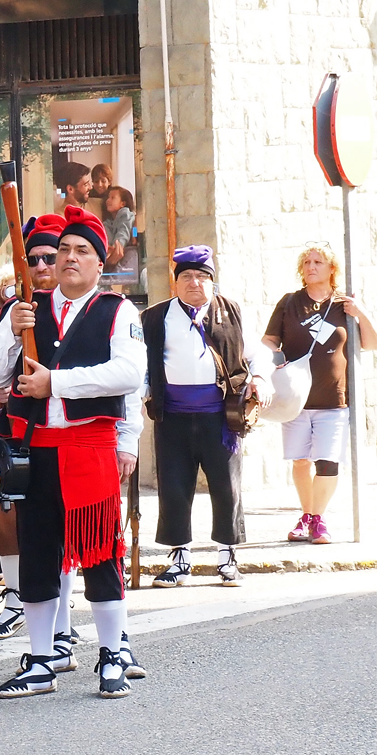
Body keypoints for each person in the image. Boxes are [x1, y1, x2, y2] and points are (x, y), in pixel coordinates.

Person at [0, 207, 145, 700]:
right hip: (36, 450)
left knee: (100, 554)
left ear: (99, 263)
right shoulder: (26, 309)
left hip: (88, 447)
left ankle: (112, 652)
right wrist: (9, 334)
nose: (69, 258)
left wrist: (57, 382)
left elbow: (128, 374)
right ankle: (41, 658)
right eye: (64, 250)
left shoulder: (118, 310)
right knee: (36, 554)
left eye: (82, 251)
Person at [145, 246, 267, 588]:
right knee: (174, 488)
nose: (194, 283)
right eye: (186, 276)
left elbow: (257, 354)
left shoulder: (232, 312)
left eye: (201, 276)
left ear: (212, 281)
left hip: (221, 419)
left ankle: (227, 558)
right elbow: (142, 364)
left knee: (227, 488)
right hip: (172, 417)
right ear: (175, 282)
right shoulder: (155, 317)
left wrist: (259, 379)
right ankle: (180, 560)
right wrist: (141, 392)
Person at [0, 215, 63, 642]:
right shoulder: (9, 308)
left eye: (50, 257)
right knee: (6, 513)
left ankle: (61, 615)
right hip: (12, 426)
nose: (42, 266)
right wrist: (4, 343)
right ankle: (13, 598)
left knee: (61, 523)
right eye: (34, 258)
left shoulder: (85, 309)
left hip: (64, 433)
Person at [263, 243, 376, 543]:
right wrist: (276, 358)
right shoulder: (290, 303)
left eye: (318, 262)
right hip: (296, 400)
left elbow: (371, 343)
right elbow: (269, 340)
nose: (311, 267)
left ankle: (317, 518)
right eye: (307, 263)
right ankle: (307, 515)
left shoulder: (343, 305)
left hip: (334, 401)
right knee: (301, 461)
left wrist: (361, 312)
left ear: (331, 269)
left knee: (327, 461)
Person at [104, 187, 135, 269]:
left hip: (127, 249)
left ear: (122, 204)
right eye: (108, 197)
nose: (108, 200)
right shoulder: (108, 223)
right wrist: (109, 249)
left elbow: (124, 231)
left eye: (112, 198)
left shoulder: (126, 214)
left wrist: (117, 245)